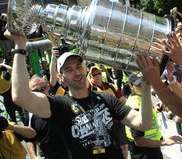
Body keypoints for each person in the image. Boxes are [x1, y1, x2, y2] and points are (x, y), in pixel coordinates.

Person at [6, 30, 153, 159]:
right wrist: (20, 45)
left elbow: (143, 124)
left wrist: (146, 87)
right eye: (68, 69)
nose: (76, 72)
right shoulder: (59, 105)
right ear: (61, 77)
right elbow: (20, 96)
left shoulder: (106, 99)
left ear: (84, 68)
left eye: (78, 66)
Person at [125, 73, 182, 159]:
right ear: (131, 86)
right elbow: (139, 141)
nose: (143, 86)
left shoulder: (141, 97)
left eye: (144, 83)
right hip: (144, 153)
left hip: (151, 148)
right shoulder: (135, 105)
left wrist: (154, 110)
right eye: (139, 84)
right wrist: (166, 142)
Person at [88, 66, 129, 159]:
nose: (98, 76)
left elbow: (122, 100)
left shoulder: (111, 86)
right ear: (90, 76)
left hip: (117, 121)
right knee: (100, 150)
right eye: (94, 74)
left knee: (124, 146)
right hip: (100, 125)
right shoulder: (89, 89)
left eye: (99, 73)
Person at [25, 75, 69, 159]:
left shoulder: (61, 103)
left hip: (70, 151)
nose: (39, 93)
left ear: (48, 87)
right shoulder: (31, 113)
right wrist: (34, 156)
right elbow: (29, 138)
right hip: (48, 155)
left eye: (41, 89)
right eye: (35, 91)